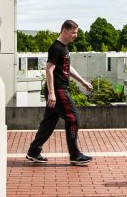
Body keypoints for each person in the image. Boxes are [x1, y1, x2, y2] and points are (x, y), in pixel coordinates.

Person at [25, 20, 95, 166]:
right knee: (73, 118)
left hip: (58, 89)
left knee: (49, 123)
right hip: (58, 89)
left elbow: (67, 67)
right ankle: (75, 155)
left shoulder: (63, 48)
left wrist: (83, 82)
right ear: (65, 31)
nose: (75, 36)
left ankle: (33, 152)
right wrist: (52, 93)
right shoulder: (56, 47)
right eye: (73, 33)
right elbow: (49, 69)